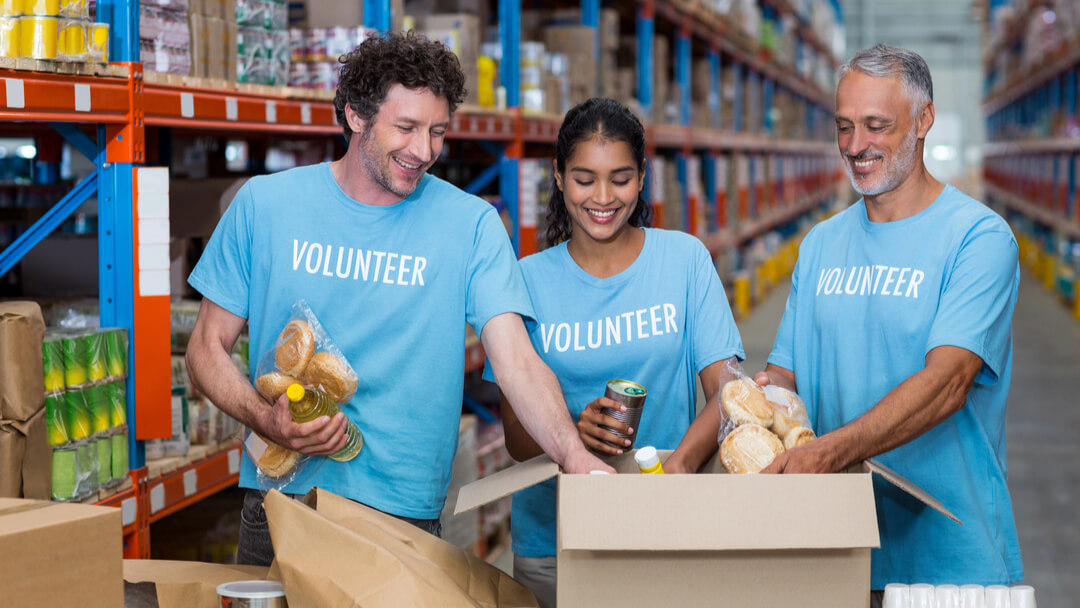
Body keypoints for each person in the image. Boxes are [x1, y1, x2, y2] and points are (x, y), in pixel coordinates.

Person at [184, 31, 610, 567]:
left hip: (403, 518)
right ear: (356, 116)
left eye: (437, 131)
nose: (424, 151)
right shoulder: (264, 206)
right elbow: (204, 351)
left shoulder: (471, 224)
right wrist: (265, 419)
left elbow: (519, 361)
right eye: (405, 128)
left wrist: (573, 454)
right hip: (281, 506)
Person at [754, 44, 1024, 602]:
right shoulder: (821, 244)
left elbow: (947, 383)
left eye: (877, 126)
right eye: (844, 126)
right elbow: (782, 379)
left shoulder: (978, 239)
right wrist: (744, 413)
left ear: (924, 120)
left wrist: (829, 452)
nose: (855, 147)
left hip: (948, 562)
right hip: (837, 548)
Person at [483, 98, 745, 608]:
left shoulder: (684, 260)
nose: (603, 197)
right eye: (584, 179)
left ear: (643, 176)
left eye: (620, 178)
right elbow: (515, 439)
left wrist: (678, 471)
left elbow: (730, 392)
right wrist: (571, 434)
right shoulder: (526, 282)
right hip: (558, 540)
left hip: (670, 525)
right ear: (558, 178)